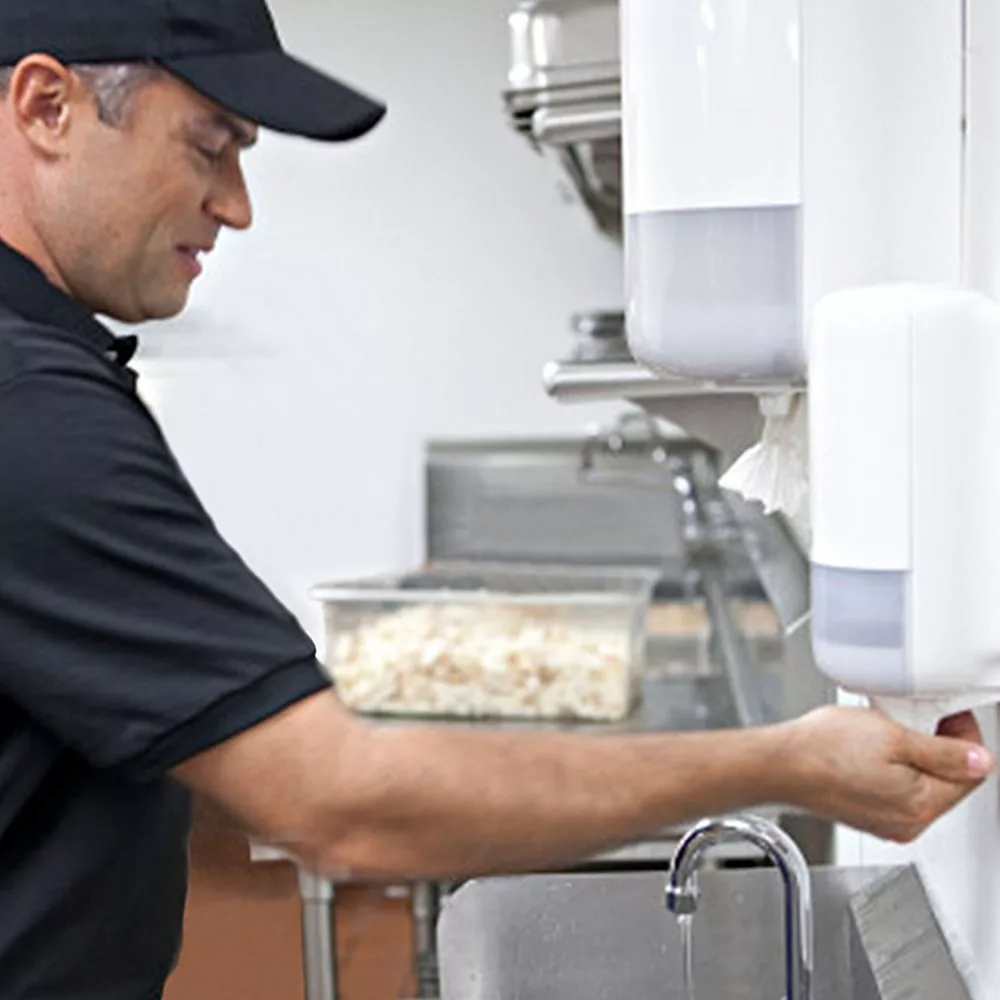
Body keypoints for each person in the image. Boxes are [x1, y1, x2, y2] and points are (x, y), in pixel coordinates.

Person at [0, 1, 991, 997]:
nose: (237, 205)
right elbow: (338, 801)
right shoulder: (33, 405)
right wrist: (783, 763)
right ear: (47, 106)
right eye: (210, 147)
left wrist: (286, 755)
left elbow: (199, 751)